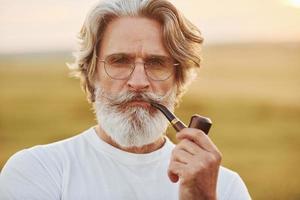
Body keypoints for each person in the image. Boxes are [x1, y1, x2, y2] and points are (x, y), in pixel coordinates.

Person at [0, 0, 251, 199]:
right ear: (91, 73)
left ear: (178, 78)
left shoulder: (224, 188)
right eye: (119, 61)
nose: (138, 82)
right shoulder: (38, 171)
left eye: (156, 63)